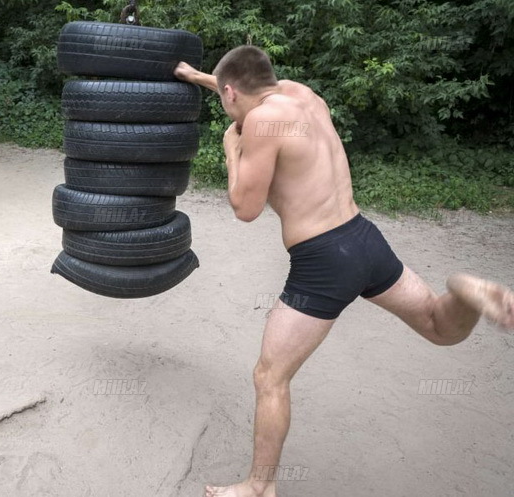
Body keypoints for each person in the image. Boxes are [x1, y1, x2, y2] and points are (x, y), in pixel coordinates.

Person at [174, 47, 514, 497]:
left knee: (269, 377)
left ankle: (260, 487)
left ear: (234, 93)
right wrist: (197, 75)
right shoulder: (301, 94)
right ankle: (464, 290)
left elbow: (245, 209)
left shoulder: (255, 124)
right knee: (439, 326)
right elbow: (237, 86)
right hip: (363, 239)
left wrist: (231, 150)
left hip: (323, 261)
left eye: (224, 95)